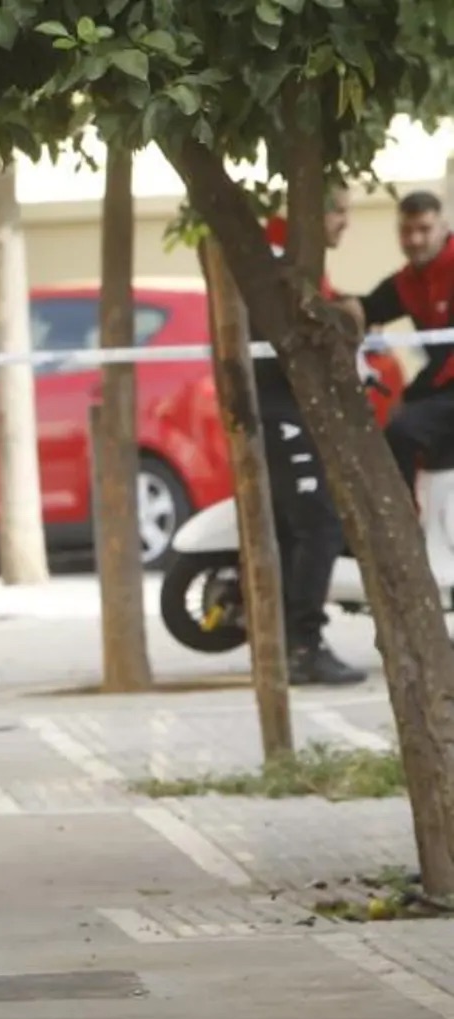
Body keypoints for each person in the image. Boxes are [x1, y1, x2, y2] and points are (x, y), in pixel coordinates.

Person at [250, 192, 367, 686]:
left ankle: (288, 643)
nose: (346, 220)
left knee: (298, 528)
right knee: (317, 525)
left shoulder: (296, 265)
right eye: (337, 208)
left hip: (292, 408)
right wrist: (345, 319)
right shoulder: (278, 264)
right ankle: (303, 645)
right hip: (280, 409)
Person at [346, 191, 454, 496]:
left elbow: (449, 358)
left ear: (444, 228)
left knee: (402, 431)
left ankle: (404, 530)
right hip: (444, 391)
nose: (415, 239)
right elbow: (365, 309)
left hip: (447, 386)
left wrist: (409, 396)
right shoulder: (408, 281)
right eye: (407, 231)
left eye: (424, 229)